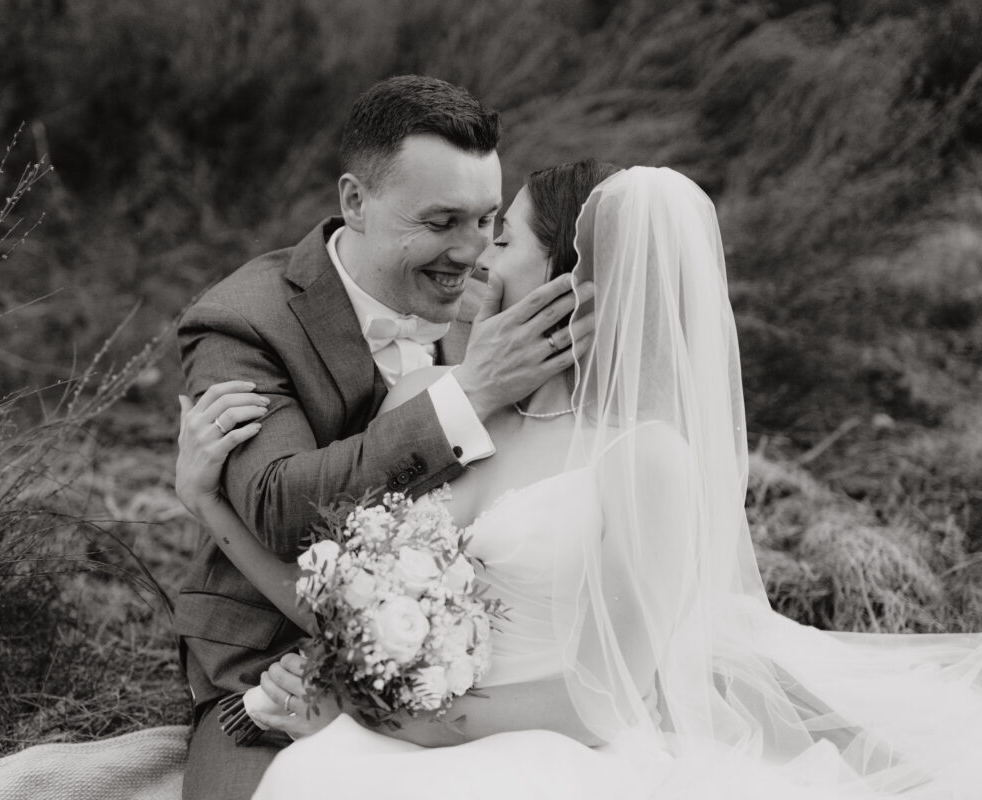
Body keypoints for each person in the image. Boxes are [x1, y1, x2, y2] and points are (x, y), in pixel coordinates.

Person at [176, 165, 982, 798]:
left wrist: (409, 720)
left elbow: (610, 694)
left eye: (503, 241)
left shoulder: (644, 458)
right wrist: (209, 502)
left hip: (536, 747)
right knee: (316, 778)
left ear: (572, 283)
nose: (476, 256)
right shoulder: (442, 408)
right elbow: (343, 597)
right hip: (392, 717)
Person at [174, 75, 585, 799]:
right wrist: (474, 391)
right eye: (442, 222)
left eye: (489, 220)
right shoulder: (245, 321)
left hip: (472, 669)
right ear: (355, 202)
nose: (473, 252)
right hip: (278, 659)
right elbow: (280, 513)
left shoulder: (498, 307)